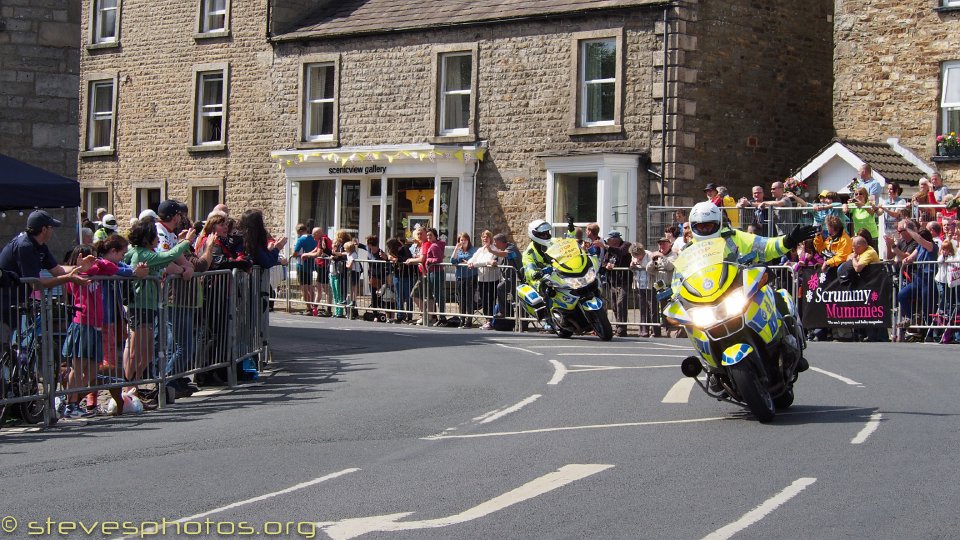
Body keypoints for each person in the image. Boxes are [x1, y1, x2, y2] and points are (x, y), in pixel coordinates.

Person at [680, 202, 816, 355]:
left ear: (718, 223)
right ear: (693, 226)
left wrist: (788, 240)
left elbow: (764, 246)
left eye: (709, 226)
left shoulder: (732, 238)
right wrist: (672, 295)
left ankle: (789, 341)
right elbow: (678, 278)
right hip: (709, 302)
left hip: (739, 291)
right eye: (700, 226)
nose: (705, 229)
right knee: (694, 326)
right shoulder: (688, 252)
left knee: (774, 296)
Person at [0, 211, 93, 349]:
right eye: (51, 227)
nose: (52, 231)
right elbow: (36, 284)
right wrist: (69, 278)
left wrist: (79, 267)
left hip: (15, 302)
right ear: (44, 229)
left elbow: (57, 270)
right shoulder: (25, 246)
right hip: (4, 303)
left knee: (12, 347)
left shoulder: (40, 245)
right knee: (4, 347)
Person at [521, 219, 557, 330]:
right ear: (535, 234)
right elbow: (529, 267)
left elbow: (568, 246)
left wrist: (571, 231)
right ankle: (549, 320)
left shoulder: (553, 242)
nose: (546, 235)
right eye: (543, 234)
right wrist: (535, 273)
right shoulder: (529, 253)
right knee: (547, 290)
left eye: (547, 233)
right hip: (539, 279)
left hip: (556, 273)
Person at [483, 232, 522, 330]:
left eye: (496, 242)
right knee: (504, 290)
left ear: (501, 242)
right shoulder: (502, 249)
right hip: (509, 279)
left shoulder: (512, 248)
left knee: (519, 300)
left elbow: (505, 254)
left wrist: (491, 251)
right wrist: (494, 261)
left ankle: (523, 322)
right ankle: (503, 312)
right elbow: (498, 257)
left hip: (516, 279)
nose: (495, 244)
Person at [646, 236, 677, 338]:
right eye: (660, 244)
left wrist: (662, 256)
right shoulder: (657, 256)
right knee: (654, 310)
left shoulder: (673, 255)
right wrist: (652, 261)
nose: (662, 246)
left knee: (667, 310)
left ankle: (669, 330)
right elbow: (649, 270)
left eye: (664, 243)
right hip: (657, 286)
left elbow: (670, 266)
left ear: (669, 244)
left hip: (668, 287)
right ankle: (656, 331)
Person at [603, 231, 632, 337]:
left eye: (609, 240)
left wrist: (607, 247)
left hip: (624, 281)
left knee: (621, 304)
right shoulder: (609, 251)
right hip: (613, 281)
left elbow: (621, 252)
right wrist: (607, 265)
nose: (607, 242)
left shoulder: (626, 245)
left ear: (615, 240)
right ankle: (618, 327)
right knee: (615, 306)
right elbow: (604, 261)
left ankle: (622, 329)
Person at [467, 230, 499, 326]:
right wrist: (470, 262)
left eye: (487, 237)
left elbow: (488, 261)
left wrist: (475, 264)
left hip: (492, 279)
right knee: (484, 300)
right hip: (481, 279)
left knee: (490, 299)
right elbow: (472, 258)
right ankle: (487, 320)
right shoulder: (480, 249)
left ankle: (490, 321)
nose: (485, 239)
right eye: (483, 237)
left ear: (491, 238)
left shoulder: (494, 249)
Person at [451, 232, 478, 328]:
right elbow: (452, 261)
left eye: (465, 240)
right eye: (461, 240)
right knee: (461, 299)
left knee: (469, 299)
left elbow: (474, 260)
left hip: (470, 276)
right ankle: (462, 319)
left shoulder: (473, 250)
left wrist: (467, 261)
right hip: (460, 276)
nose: (463, 242)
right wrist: (456, 249)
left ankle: (469, 320)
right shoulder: (459, 251)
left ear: (468, 241)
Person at [291, 224, 318, 316]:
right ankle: (314, 306)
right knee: (310, 287)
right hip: (311, 265)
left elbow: (295, 253)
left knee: (304, 288)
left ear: (299, 231)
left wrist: (297, 254)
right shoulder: (312, 238)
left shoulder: (301, 239)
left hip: (301, 265)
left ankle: (309, 307)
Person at [628, 243, 652, 337]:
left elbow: (652, 268)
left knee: (651, 308)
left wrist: (643, 265)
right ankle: (643, 330)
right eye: (634, 256)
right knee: (642, 308)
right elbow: (632, 269)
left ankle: (654, 330)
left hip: (649, 284)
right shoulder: (633, 257)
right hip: (639, 284)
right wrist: (632, 265)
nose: (637, 258)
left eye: (638, 255)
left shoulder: (649, 255)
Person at [364, 235, 389, 320]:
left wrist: (386, 258)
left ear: (370, 244)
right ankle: (375, 314)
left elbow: (387, 259)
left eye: (367, 242)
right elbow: (362, 246)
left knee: (379, 295)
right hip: (372, 276)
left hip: (380, 276)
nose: (366, 244)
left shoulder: (379, 252)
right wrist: (356, 243)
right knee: (373, 296)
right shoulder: (368, 249)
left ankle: (385, 310)